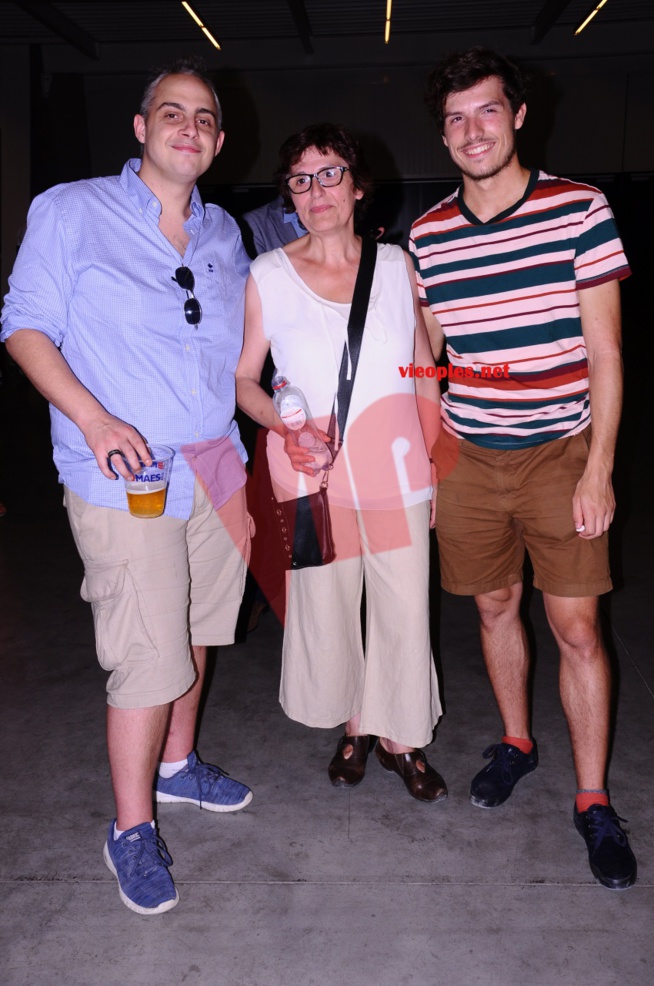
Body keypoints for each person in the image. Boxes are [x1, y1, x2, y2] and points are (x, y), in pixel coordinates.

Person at [1, 57, 253, 915]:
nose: (190, 127)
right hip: (126, 470)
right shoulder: (72, 210)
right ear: (140, 129)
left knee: (198, 627)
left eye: (206, 118)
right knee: (148, 652)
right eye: (172, 112)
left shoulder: (225, 235)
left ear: (218, 142)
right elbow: (24, 326)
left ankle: (179, 767)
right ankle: (130, 828)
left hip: (218, 463)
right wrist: (95, 418)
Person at [410, 47, 636, 889]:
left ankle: (592, 799)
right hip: (468, 455)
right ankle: (516, 743)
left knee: (576, 628)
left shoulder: (580, 209)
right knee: (494, 606)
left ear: (518, 116)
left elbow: (607, 348)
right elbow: (428, 353)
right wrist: (430, 450)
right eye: (456, 119)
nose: (473, 131)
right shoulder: (428, 234)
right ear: (443, 132)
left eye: (487, 111)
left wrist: (599, 467)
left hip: (559, 452)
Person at [236, 123, 446, 802]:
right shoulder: (266, 274)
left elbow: (422, 368)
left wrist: (434, 461)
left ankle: (400, 737)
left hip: (396, 466)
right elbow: (244, 380)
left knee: (403, 607)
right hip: (311, 474)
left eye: (330, 175)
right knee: (328, 607)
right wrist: (280, 426)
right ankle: (355, 724)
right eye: (301, 179)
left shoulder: (395, 267)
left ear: (358, 188)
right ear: (288, 197)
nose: (316, 190)